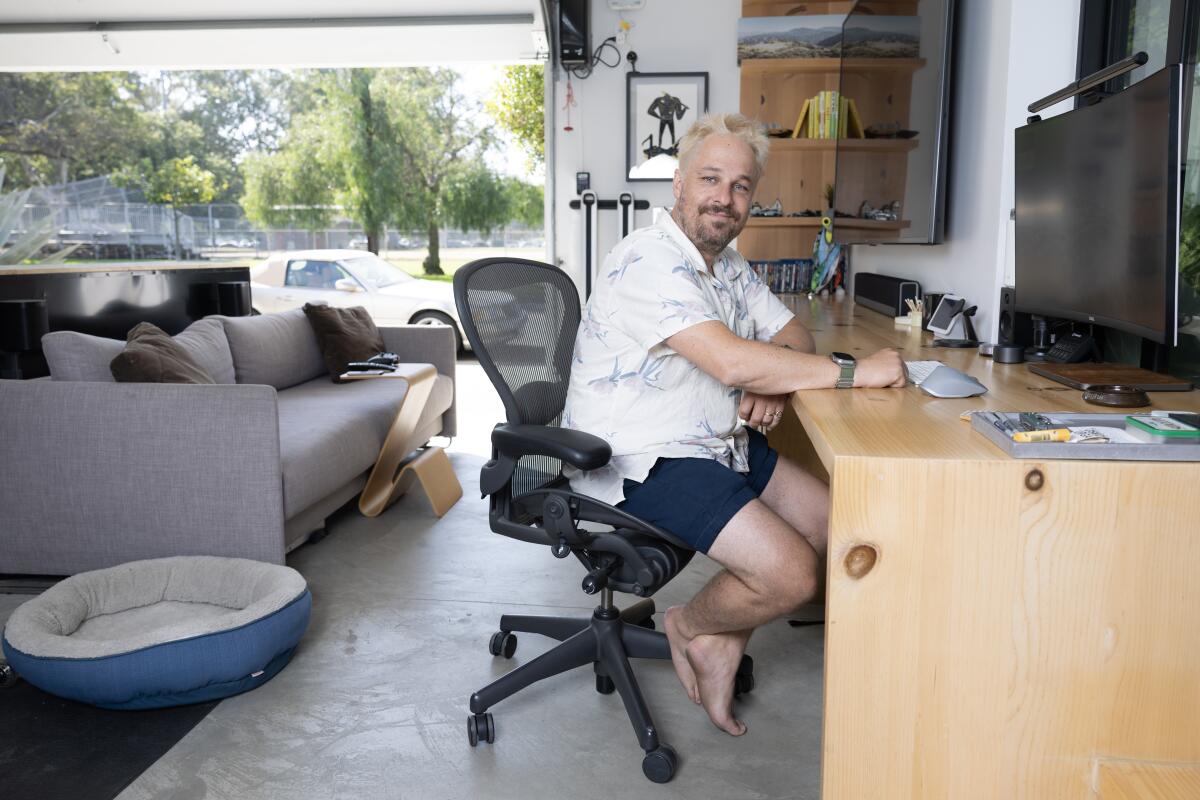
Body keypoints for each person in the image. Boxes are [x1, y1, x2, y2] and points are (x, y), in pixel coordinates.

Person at [561, 112, 906, 737]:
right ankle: (689, 624)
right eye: (710, 178)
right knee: (792, 573)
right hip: (643, 454)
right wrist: (853, 372)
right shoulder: (647, 259)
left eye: (741, 186)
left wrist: (766, 375)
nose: (724, 197)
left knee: (836, 522)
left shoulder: (725, 263)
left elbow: (790, 331)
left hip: (717, 439)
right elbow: (730, 357)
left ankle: (721, 639)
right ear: (679, 184)